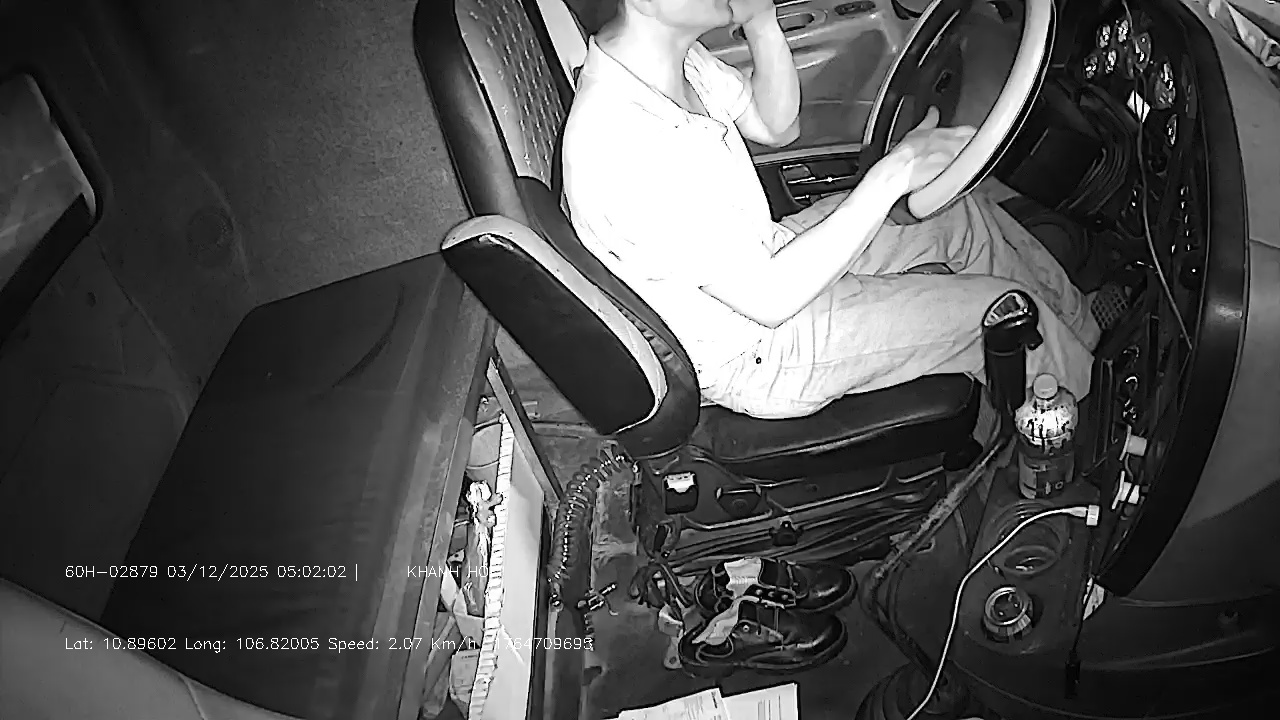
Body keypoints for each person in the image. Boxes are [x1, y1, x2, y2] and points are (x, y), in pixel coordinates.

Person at [561, 0, 1101, 420]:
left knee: (954, 215)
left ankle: (1085, 334)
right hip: (757, 349)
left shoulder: (673, 59)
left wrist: (762, 22)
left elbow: (776, 126)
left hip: (765, 257)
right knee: (1000, 310)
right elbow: (770, 299)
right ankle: (1092, 411)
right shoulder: (620, 143)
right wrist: (892, 173)